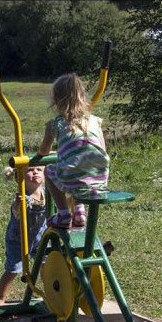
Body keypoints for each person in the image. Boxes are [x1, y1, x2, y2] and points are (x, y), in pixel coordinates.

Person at [38, 73, 110, 229]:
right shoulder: (95, 121)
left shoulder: (55, 124)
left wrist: (45, 153)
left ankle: (63, 214)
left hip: (73, 179)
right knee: (80, 167)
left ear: (56, 101)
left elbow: (44, 150)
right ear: (83, 97)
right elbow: (102, 149)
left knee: (50, 171)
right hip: (100, 179)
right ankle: (79, 212)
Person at [0, 165, 47, 306]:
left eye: (39, 170)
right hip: (19, 239)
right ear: (19, 178)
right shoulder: (21, 198)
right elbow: (16, 209)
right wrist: (19, 204)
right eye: (29, 170)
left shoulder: (48, 194)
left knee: (45, 265)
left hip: (41, 237)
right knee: (13, 269)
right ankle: (0, 297)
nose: (35, 172)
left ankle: (49, 293)